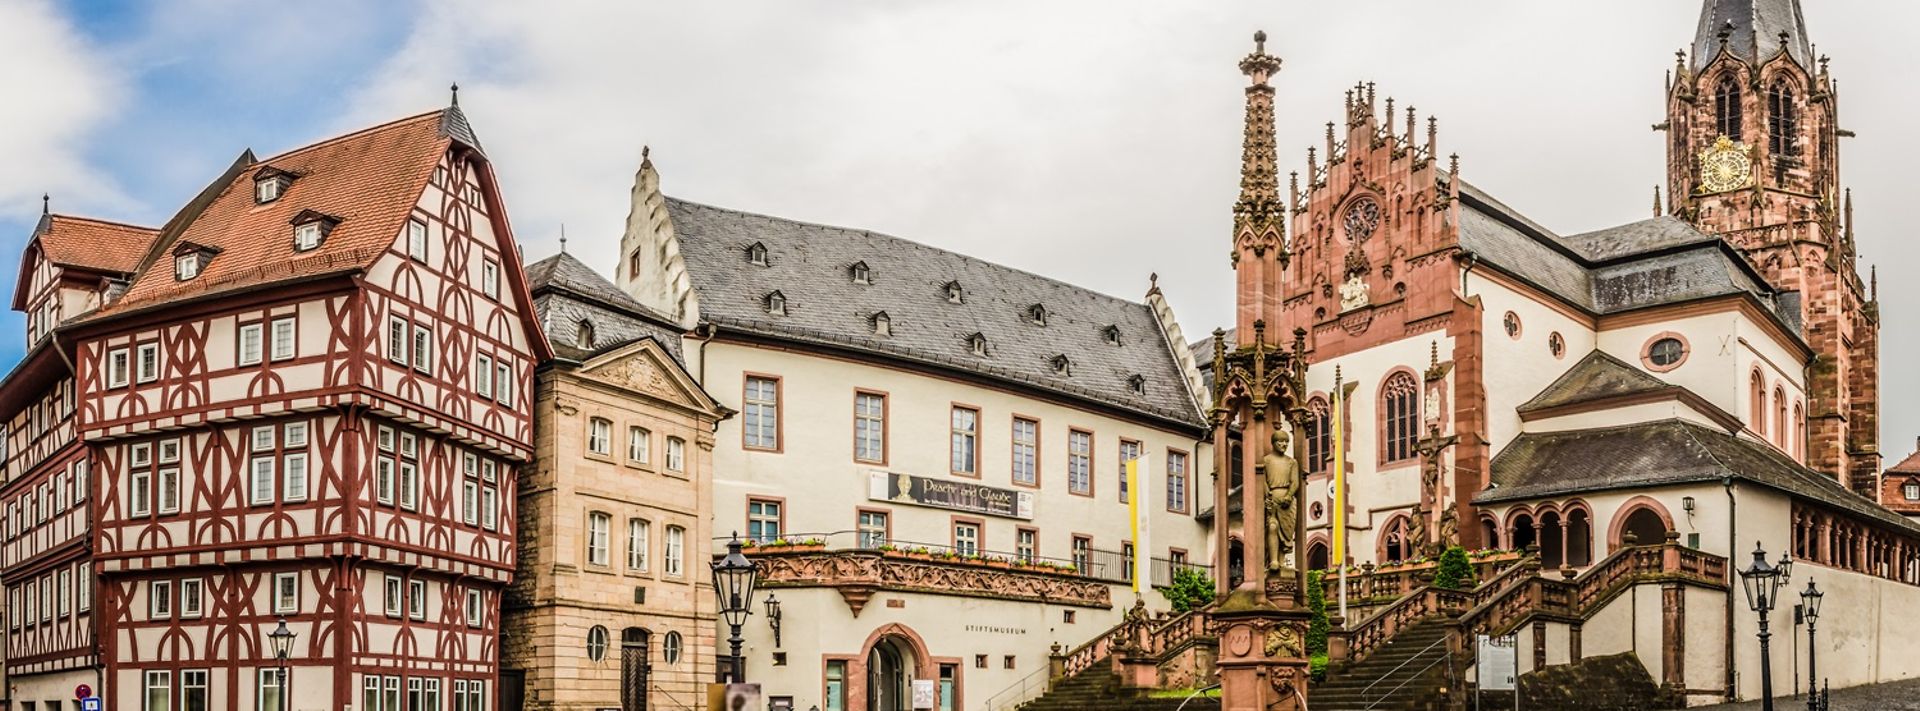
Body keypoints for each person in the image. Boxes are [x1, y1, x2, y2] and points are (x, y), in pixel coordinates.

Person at [1263, 428, 1300, 573]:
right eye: (1281, 442)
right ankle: (1273, 560)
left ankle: (1282, 560)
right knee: (1272, 527)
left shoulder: (1292, 462)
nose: (1284, 445)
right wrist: (1267, 494)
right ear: (1273, 443)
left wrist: (1289, 495)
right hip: (1272, 499)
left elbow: (1295, 482)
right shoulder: (1266, 461)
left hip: (1288, 502)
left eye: (1286, 442)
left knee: (1286, 533)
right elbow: (1263, 481)